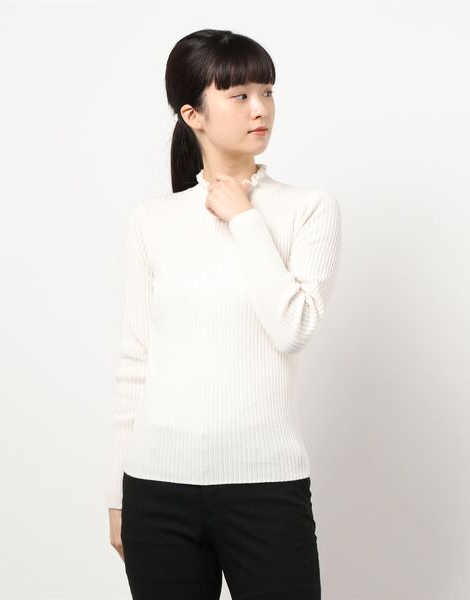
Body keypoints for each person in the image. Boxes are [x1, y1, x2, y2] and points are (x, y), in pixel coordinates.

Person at [106, 28, 342, 600]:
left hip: (265, 488)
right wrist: (117, 496)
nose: (260, 108)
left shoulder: (308, 209)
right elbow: (136, 361)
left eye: (267, 91)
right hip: (156, 490)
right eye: (239, 95)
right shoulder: (153, 220)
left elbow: (292, 328)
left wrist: (244, 219)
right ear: (193, 115)